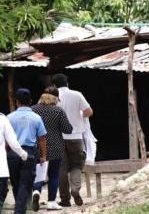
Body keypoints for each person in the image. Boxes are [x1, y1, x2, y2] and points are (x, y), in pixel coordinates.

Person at [52, 73, 93, 207]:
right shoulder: (77, 94)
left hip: (59, 138)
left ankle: (65, 200)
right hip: (76, 137)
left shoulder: (53, 98)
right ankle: (75, 189)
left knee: (61, 168)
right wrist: (79, 115)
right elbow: (89, 112)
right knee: (76, 165)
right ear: (67, 83)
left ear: (54, 85)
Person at [31, 86, 73, 211]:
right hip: (56, 146)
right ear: (56, 98)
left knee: (38, 173)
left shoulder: (33, 110)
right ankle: (51, 202)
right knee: (53, 175)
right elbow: (68, 129)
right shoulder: (58, 111)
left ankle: (36, 191)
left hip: (37, 146)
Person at [7, 88, 47, 214]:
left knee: (16, 183)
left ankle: (20, 209)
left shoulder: (9, 118)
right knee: (26, 183)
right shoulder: (36, 118)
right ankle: (20, 210)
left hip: (12, 154)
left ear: (17, 102)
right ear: (30, 101)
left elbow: (6, 140)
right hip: (29, 153)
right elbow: (41, 140)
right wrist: (43, 156)